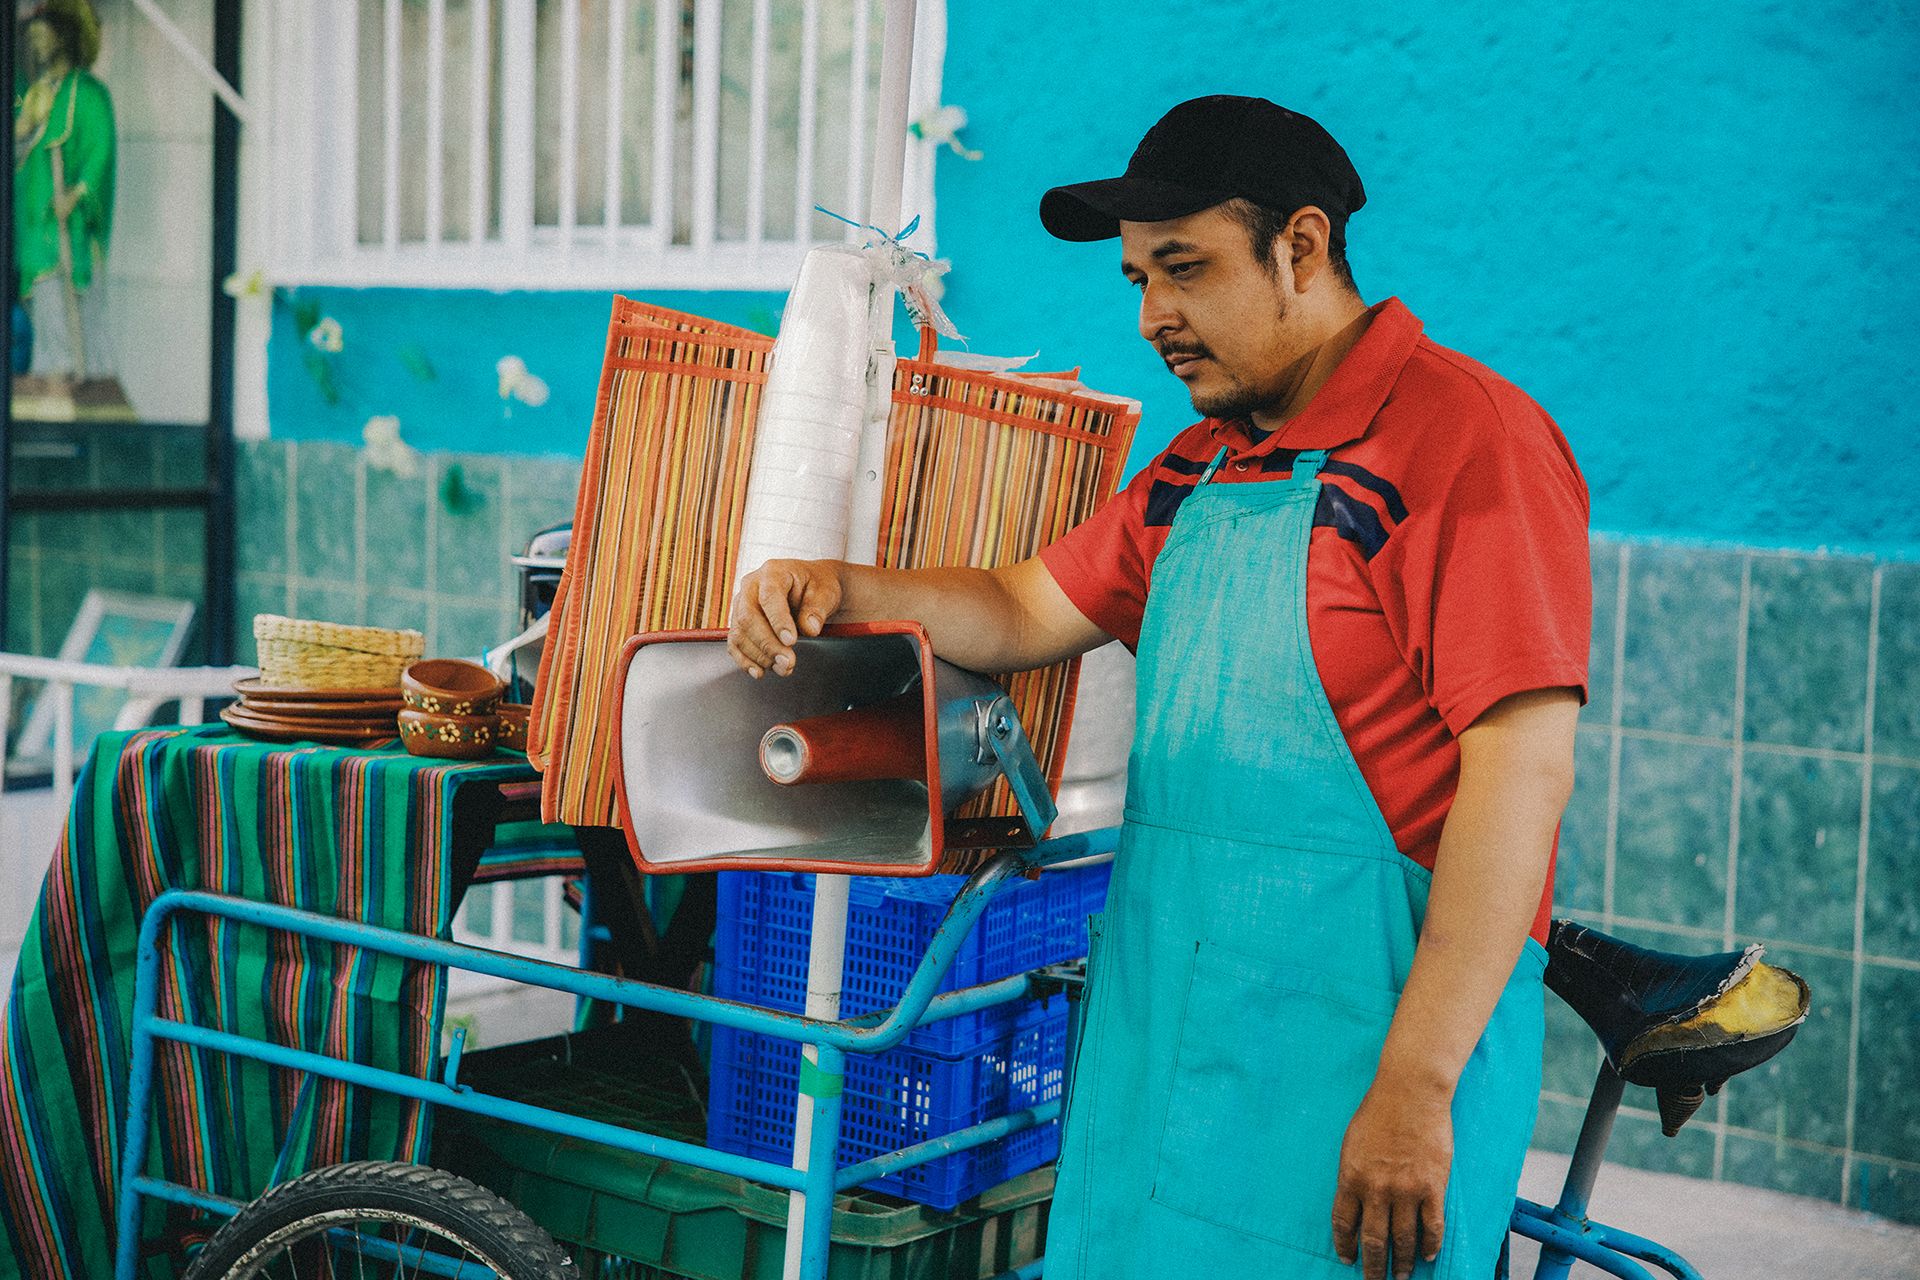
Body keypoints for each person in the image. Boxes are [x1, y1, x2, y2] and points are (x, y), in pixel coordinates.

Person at [729, 95, 1589, 1280]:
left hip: (1357, 1063)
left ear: (1301, 246)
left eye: (1183, 270)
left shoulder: (1467, 440)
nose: (1153, 317)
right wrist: (835, 583)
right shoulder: (1201, 464)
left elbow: (1524, 772)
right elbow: (1028, 607)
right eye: (1139, 278)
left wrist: (1415, 1085)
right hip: (1176, 1040)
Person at [14, 1, 115, 381]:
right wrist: (23, 128)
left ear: (65, 36)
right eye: (32, 36)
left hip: (68, 229)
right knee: (42, 304)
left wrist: (78, 193)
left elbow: (100, 149)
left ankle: (75, 370)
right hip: (36, 224)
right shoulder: (32, 93)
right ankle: (50, 370)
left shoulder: (88, 94)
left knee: (68, 300)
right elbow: (20, 153)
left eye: (44, 35)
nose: (37, 44)